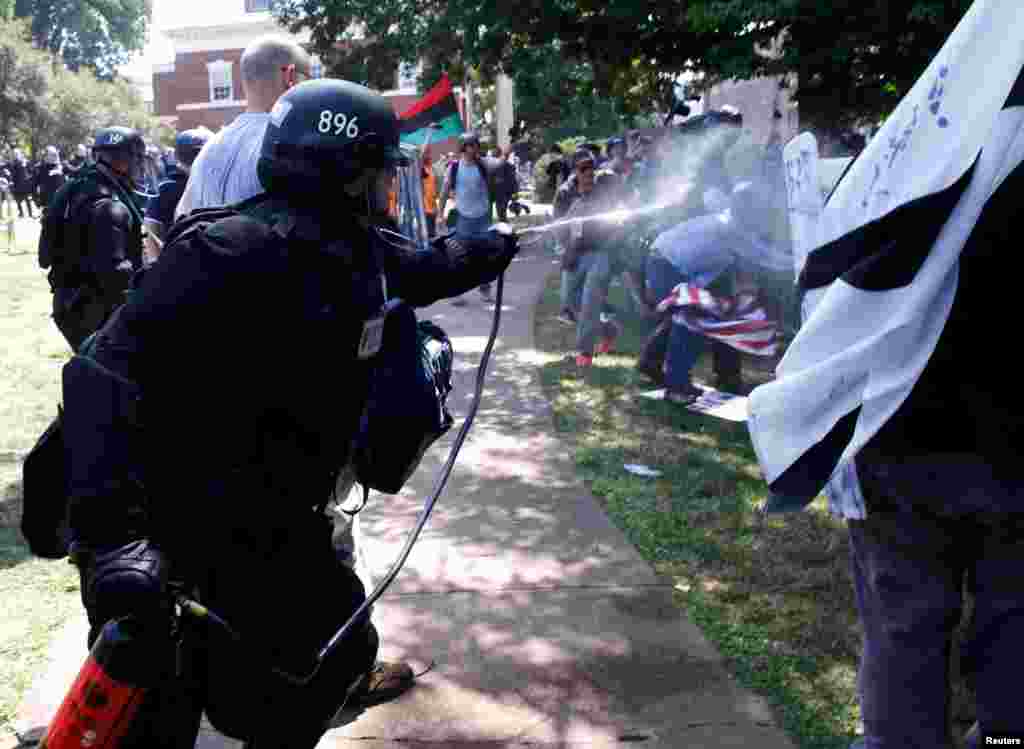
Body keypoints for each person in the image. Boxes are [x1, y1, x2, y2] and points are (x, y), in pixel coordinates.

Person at [62, 77, 519, 749]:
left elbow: (421, 269)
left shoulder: (355, 247)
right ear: (343, 170)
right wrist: (112, 541)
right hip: (174, 530)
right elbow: (97, 381)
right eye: (378, 173)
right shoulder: (220, 252)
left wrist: (484, 251)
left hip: (278, 526)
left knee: (331, 652)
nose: (386, 189)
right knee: (158, 703)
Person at [175, 36, 311, 218]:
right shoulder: (295, 144)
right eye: (308, 78)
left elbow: (182, 218)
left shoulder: (207, 151)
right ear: (290, 77)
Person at [39, 127, 146, 351]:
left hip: (68, 301)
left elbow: (45, 254)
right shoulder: (110, 207)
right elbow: (116, 275)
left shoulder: (72, 187)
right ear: (126, 162)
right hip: (94, 312)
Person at [557, 150, 624, 367]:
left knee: (589, 302)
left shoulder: (605, 185)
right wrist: (567, 248)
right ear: (574, 171)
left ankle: (584, 353)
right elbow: (559, 225)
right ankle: (608, 330)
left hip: (601, 251)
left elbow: (621, 168)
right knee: (569, 301)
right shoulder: (566, 193)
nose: (588, 173)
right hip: (576, 252)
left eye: (591, 168)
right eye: (582, 168)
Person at [438, 131, 495, 304]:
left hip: (483, 217)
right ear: (464, 147)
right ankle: (456, 292)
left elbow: (495, 173)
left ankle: (485, 289)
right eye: (472, 145)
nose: (475, 148)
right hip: (463, 217)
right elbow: (444, 191)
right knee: (459, 255)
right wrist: (439, 214)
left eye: (476, 145)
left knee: (484, 255)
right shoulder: (454, 167)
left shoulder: (482, 165)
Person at [143, 128, 213, 265]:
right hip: (180, 262)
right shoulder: (167, 188)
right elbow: (152, 231)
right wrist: (156, 268)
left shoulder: (211, 181)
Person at [35, 146, 66, 214]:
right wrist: (37, 199)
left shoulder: (61, 167)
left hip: (60, 202)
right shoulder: (40, 168)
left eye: (55, 155)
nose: (54, 156)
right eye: (52, 155)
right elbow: (35, 185)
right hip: (47, 203)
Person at [491, 146, 519, 222]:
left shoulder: (506, 165)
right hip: (501, 191)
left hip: (502, 191)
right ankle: (503, 223)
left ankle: (503, 224)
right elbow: (513, 179)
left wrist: (515, 192)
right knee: (501, 211)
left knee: (501, 211)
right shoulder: (505, 165)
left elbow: (512, 179)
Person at [10, 149, 36, 219]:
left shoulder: (25, 162)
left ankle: (30, 213)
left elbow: (31, 171)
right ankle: (21, 213)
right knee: (17, 200)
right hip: (17, 184)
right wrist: (11, 182)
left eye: (16, 154)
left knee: (27, 199)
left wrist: (30, 178)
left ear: (20, 154)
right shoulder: (13, 163)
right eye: (14, 154)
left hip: (25, 184)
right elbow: (12, 174)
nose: (15, 155)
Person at [421, 144, 439, 237]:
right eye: (426, 152)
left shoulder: (431, 168)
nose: (429, 155)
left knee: (432, 235)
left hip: (432, 207)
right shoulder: (420, 168)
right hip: (425, 208)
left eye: (429, 152)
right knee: (427, 236)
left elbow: (434, 186)